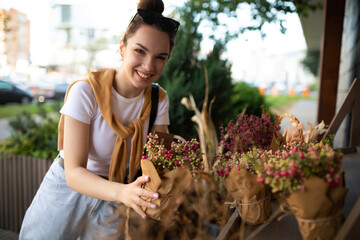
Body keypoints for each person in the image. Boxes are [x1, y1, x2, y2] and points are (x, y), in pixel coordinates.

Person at [19, 0, 180, 239]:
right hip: (68, 192)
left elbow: (158, 161)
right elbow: (74, 173)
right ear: (122, 47)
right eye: (140, 51)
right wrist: (123, 193)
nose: (149, 66)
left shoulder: (158, 99)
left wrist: (177, 172)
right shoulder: (86, 92)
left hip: (119, 196)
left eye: (160, 57)